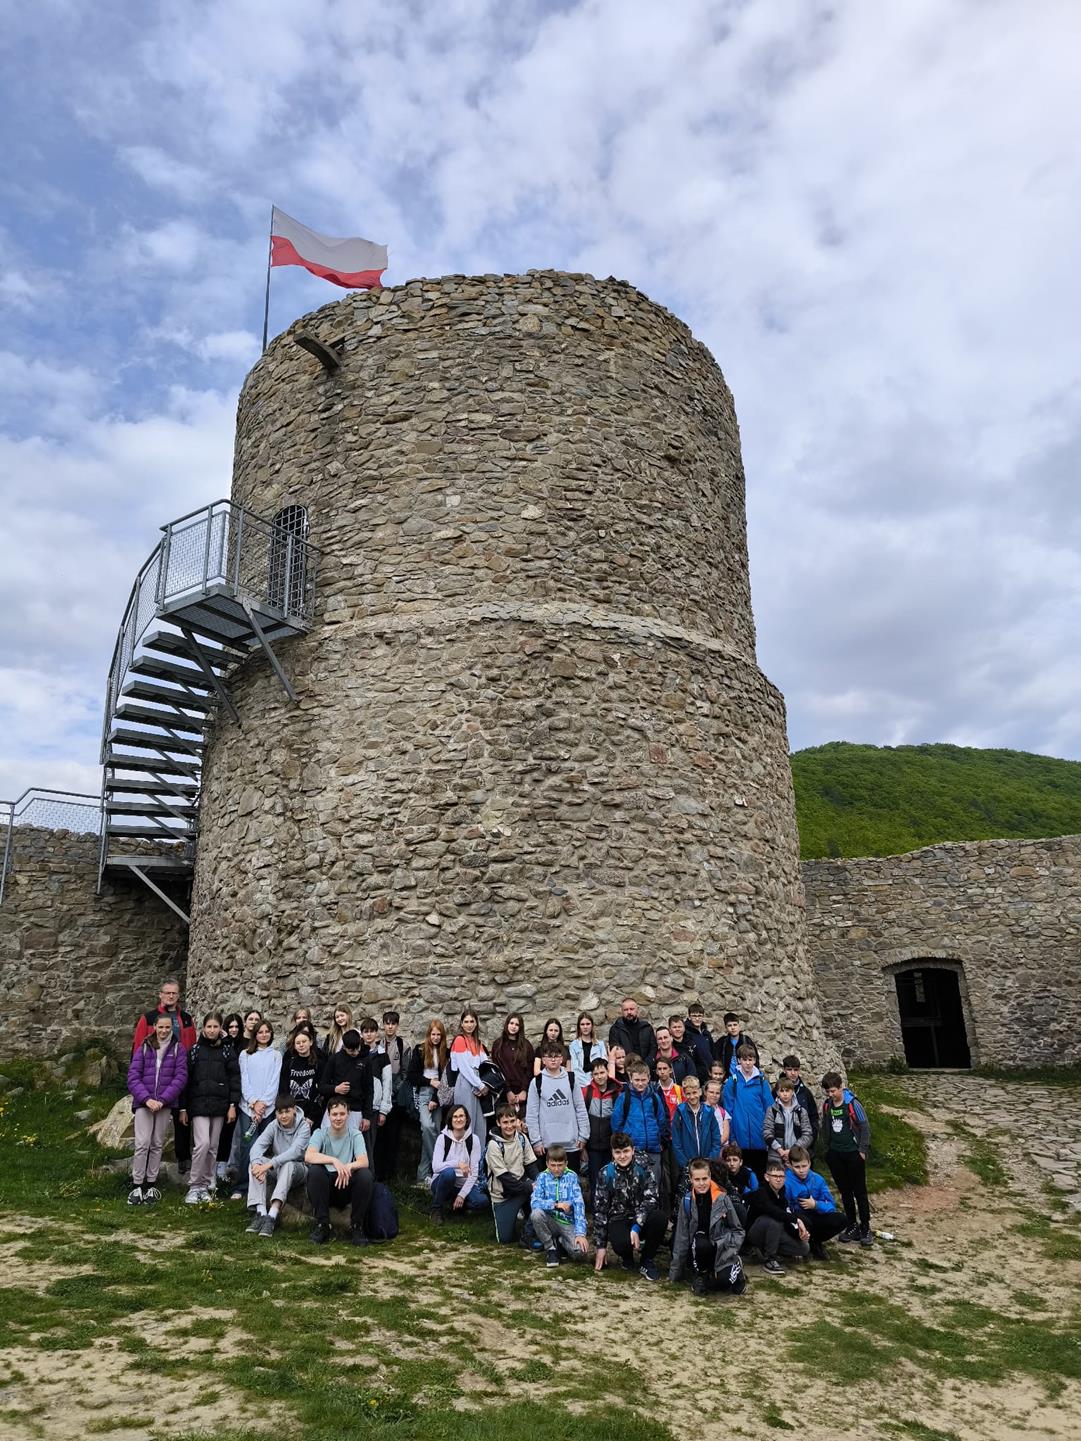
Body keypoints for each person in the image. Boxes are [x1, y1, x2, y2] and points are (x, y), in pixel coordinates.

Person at [131, 978, 197, 1178]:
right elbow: (138, 1048)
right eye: (167, 992)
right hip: (152, 1079)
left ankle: (183, 1158)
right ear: (160, 995)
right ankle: (141, 1174)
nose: (170, 996)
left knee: (182, 1117)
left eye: (174, 993)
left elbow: (191, 1046)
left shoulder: (186, 1019)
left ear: (178, 995)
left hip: (179, 1075)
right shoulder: (149, 1018)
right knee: (147, 1137)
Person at [126, 1013, 188, 1206]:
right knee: (142, 1143)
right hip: (144, 1103)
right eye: (161, 1027)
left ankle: (151, 1184)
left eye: (167, 1027)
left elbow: (180, 1077)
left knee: (157, 1143)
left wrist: (162, 1100)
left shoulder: (178, 1048)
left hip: (164, 1104)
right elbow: (133, 1076)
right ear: (154, 1027)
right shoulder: (145, 1047)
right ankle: (137, 1185)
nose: (164, 1031)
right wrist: (147, 1099)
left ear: (172, 1028)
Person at [180, 1010, 240, 1204]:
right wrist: (183, 1108)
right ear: (203, 1028)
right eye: (209, 1026)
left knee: (213, 1147)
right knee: (202, 1144)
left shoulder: (227, 1051)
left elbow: (234, 1079)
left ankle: (205, 1185)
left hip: (220, 1105)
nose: (212, 1030)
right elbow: (186, 1081)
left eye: (215, 1027)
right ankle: (194, 1185)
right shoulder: (195, 1051)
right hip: (199, 1104)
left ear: (220, 1028)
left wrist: (232, 1105)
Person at [668, 1157, 747, 1296]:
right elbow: (681, 1237)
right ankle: (701, 1274)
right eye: (697, 1179)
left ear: (710, 1177)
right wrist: (675, 1274)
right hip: (700, 1247)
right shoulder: (687, 1201)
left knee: (722, 1284)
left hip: (722, 1247)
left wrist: (731, 1250)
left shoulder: (722, 1198)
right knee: (700, 1243)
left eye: (704, 1179)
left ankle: (736, 1270)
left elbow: (737, 1230)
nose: (701, 1183)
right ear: (691, 1180)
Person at [592, 1132, 666, 1281]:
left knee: (660, 1218)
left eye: (626, 1151)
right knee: (620, 1243)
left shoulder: (643, 1167)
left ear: (632, 1150)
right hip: (619, 1218)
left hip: (641, 1217)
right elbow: (600, 1210)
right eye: (618, 1152)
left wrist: (637, 1225)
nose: (622, 1156)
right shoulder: (605, 1173)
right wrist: (601, 1246)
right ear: (612, 1153)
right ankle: (627, 1257)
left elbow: (651, 1198)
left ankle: (647, 1259)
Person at [304, 1097, 373, 1245]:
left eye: (342, 1114)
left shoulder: (355, 1134)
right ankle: (323, 1224)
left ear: (348, 1114)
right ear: (328, 1115)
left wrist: (348, 1167)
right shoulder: (320, 1133)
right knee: (315, 1172)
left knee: (365, 1175)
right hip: (327, 1186)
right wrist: (334, 1161)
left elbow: (364, 1161)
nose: (338, 1118)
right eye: (334, 1114)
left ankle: (356, 1226)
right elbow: (308, 1156)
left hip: (347, 1184)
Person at [245, 1094, 311, 1236]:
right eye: (280, 1112)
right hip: (277, 1169)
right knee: (255, 1163)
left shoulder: (304, 1126)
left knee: (288, 1165)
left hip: (299, 1170)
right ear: (276, 1113)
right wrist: (257, 1165)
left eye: (287, 1111)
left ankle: (272, 1216)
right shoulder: (273, 1125)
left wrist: (269, 1165)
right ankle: (261, 1213)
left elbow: (295, 1152)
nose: (283, 1116)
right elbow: (257, 1147)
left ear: (294, 1110)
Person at [231, 1020, 282, 1199]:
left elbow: (274, 1081)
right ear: (255, 1034)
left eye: (267, 1031)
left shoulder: (276, 1055)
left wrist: (264, 1104)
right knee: (248, 1145)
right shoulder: (245, 1054)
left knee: (264, 1147)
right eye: (260, 1032)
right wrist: (254, 1103)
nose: (264, 1035)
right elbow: (244, 1080)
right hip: (248, 1108)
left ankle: (260, 1186)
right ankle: (241, 1186)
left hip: (267, 1108)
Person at [821, 1071, 873, 1246]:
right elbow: (826, 1126)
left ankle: (865, 1227)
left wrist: (862, 1150)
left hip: (853, 1153)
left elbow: (865, 1127)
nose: (831, 1094)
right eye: (828, 1092)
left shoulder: (852, 1104)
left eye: (833, 1091)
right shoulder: (827, 1105)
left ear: (841, 1087)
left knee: (860, 1192)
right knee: (845, 1191)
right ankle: (852, 1225)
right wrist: (827, 1149)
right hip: (835, 1154)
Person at [526, 1041, 590, 1173]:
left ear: (562, 1059)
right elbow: (532, 1114)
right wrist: (536, 1141)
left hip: (571, 1145)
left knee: (571, 1181)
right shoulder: (537, 1082)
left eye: (556, 1056)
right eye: (549, 1056)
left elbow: (580, 1108)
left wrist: (583, 1135)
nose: (553, 1059)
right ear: (543, 1060)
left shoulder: (571, 1079)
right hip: (547, 1146)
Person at [746, 1156, 810, 1275]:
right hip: (755, 1233)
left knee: (804, 1248)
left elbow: (786, 1217)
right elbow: (773, 1211)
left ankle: (768, 1250)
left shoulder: (782, 1195)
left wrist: (799, 1234)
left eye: (781, 1176)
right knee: (774, 1220)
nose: (778, 1179)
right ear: (767, 1177)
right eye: (775, 1176)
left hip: (774, 1232)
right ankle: (769, 1258)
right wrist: (797, 1220)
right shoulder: (761, 1193)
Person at [487, 1103, 540, 1244]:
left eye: (512, 1121)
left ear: (517, 1121)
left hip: (522, 1185)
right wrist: (529, 1187)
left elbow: (531, 1166)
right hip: (503, 1194)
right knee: (505, 1239)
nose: (509, 1126)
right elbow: (504, 1178)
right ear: (498, 1123)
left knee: (542, 1193)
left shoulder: (522, 1138)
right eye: (505, 1122)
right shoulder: (494, 1145)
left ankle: (528, 1232)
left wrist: (541, 1182)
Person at [609, 1061, 669, 1186]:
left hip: (653, 1150)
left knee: (654, 1185)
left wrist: (660, 1140)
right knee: (633, 1186)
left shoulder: (654, 1098)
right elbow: (617, 1124)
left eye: (643, 1080)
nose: (640, 1083)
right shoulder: (624, 1098)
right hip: (632, 1151)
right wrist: (623, 1144)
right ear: (630, 1078)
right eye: (637, 1080)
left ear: (649, 1078)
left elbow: (661, 1121)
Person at [784, 1145, 849, 1258]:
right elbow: (784, 1207)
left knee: (842, 1219)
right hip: (796, 1219)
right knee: (802, 1222)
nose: (801, 1170)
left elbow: (831, 1205)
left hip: (815, 1215)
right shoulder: (786, 1181)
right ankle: (800, 1244)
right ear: (790, 1165)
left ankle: (815, 1241)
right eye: (797, 1167)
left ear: (809, 1163)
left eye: (804, 1166)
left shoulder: (818, 1179)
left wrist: (815, 1205)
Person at [530, 1144, 588, 1267]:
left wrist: (580, 1234)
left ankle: (561, 1242)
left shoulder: (572, 1177)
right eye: (553, 1165)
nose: (556, 1169)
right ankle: (550, 1247)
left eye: (560, 1165)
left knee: (580, 1252)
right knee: (536, 1214)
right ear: (547, 1164)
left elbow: (579, 1204)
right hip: (549, 1219)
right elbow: (534, 1202)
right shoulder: (542, 1177)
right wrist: (555, 1205)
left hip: (567, 1221)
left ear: (566, 1163)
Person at [409, 1019, 451, 1184]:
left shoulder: (445, 1052)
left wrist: (436, 1099)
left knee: (433, 1131)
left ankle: (423, 1177)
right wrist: (429, 1082)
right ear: (428, 1034)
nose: (435, 1038)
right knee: (427, 1127)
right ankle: (440, 1166)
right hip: (424, 1092)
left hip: (439, 1095)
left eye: (438, 1035)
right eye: (433, 1034)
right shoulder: (419, 1050)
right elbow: (412, 1076)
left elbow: (447, 1078)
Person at [429, 1103, 487, 1223]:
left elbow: (474, 1173)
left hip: (464, 1183)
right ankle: (436, 1209)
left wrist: (462, 1194)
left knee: (482, 1201)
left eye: (461, 1116)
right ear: (450, 1120)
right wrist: (457, 1163)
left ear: (466, 1118)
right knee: (449, 1173)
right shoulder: (442, 1138)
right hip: (443, 1181)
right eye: (455, 1117)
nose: (458, 1119)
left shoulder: (474, 1140)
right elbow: (436, 1167)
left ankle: (458, 1204)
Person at [722, 1045, 773, 1179]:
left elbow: (770, 1109)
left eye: (750, 1059)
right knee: (742, 1176)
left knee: (760, 1175)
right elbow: (728, 1112)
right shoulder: (732, 1082)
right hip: (740, 1137)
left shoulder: (761, 1082)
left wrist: (768, 1135)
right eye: (744, 1060)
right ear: (739, 1060)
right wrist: (732, 1137)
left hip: (759, 1136)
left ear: (755, 1060)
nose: (748, 1063)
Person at [671, 1075, 722, 1192]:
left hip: (707, 1162)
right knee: (689, 1193)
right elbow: (676, 1142)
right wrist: (685, 1163)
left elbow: (716, 1138)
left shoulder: (709, 1112)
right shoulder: (680, 1112)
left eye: (694, 1092)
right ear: (684, 1094)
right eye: (688, 1094)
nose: (692, 1096)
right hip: (688, 1164)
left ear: (700, 1091)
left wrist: (711, 1159)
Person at [319, 1028, 374, 1136]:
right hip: (335, 1107)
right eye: (351, 1050)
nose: (355, 1052)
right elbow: (322, 1086)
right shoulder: (335, 1059)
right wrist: (336, 1089)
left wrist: (367, 1116)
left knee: (352, 1142)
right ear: (344, 1046)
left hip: (355, 1110)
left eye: (357, 1048)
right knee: (327, 1141)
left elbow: (369, 1090)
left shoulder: (366, 1060)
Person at [582, 1056, 622, 1197]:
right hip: (592, 1147)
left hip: (610, 1147)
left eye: (602, 1072)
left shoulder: (617, 1093)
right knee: (594, 1182)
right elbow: (582, 1119)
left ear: (607, 1072)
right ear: (592, 1076)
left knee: (611, 1181)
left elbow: (620, 1120)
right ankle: (595, 1209)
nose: (599, 1076)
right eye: (596, 1074)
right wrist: (583, 1147)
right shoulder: (586, 1092)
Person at [450, 1009, 490, 1143]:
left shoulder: (478, 1042)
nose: (469, 1025)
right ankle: (464, 1153)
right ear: (461, 1024)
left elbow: (485, 1064)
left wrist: (484, 1084)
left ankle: (478, 1155)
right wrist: (480, 1085)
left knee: (480, 1123)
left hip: (479, 1082)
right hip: (465, 1082)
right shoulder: (459, 1040)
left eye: (472, 1021)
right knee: (465, 1121)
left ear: (476, 1023)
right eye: (466, 1022)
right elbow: (464, 1068)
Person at [359, 1017, 392, 1171]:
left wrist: (384, 1110)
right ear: (361, 1034)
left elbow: (387, 1083)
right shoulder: (357, 1053)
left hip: (374, 1106)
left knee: (369, 1145)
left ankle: (369, 1176)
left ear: (376, 1033)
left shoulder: (382, 1055)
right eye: (366, 1031)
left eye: (372, 1031)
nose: (369, 1034)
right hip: (358, 1105)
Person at [217, 1013, 245, 1180]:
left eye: (236, 1027)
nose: (234, 1030)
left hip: (238, 1093)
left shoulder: (245, 1045)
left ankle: (228, 1166)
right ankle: (217, 1167)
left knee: (233, 1133)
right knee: (219, 1133)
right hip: (221, 1093)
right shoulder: (220, 1044)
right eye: (230, 1027)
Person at [491, 1014, 535, 1120]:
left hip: (523, 1092)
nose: (514, 1026)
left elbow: (530, 1069)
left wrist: (524, 1090)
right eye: (511, 1023)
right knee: (506, 1122)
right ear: (507, 1024)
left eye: (517, 1024)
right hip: (504, 1091)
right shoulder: (498, 1045)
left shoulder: (526, 1045)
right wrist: (508, 1091)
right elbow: (497, 1069)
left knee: (523, 1122)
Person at [280, 1026, 324, 1127]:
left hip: (313, 1115)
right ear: (294, 1046)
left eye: (304, 1041)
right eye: (298, 1043)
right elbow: (283, 1091)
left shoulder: (319, 1064)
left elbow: (321, 1092)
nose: (301, 1045)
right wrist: (288, 1113)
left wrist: (312, 1116)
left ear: (311, 1042)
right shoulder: (288, 1064)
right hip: (292, 1113)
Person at [776, 1055, 820, 1153]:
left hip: (803, 1146)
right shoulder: (776, 1092)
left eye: (795, 1070)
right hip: (780, 1147)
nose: (793, 1073)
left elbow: (813, 1116)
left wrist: (811, 1140)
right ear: (784, 1070)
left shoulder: (805, 1093)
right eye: (789, 1069)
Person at [763, 1076, 813, 1164]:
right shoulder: (772, 1110)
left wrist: (793, 1150)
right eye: (782, 1091)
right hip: (776, 1155)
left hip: (796, 1155)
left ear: (792, 1092)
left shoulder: (801, 1112)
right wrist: (779, 1149)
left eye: (787, 1091)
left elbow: (808, 1135)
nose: (785, 1094)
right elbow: (767, 1132)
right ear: (777, 1092)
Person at [608, 997, 657, 1068]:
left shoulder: (647, 1027)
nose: (629, 1012)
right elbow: (616, 1051)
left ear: (637, 1010)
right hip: (625, 1069)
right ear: (622, 1011)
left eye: (631, 1009)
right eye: (626, 1010)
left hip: (646, 1068)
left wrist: (646, 1065)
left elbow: (653, 1048)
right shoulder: (615, 1029)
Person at [718, 1141, 758, 1226]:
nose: (732, 1164)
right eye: (728, 1160)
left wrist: (742, 1189)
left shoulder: (749, 1174)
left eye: (735, 1160)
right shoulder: (721, 1175)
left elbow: (756, 1194)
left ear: (741, 1162)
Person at [567, 1012, 608, 1092]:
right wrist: (588, 1084)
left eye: (588, 1024)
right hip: (581, 1085)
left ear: (592, 1025)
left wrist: (595, 1082)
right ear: (579, 1027)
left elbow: (604, 1065)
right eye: (582, 1024)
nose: (585, 1027)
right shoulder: (573, 1045)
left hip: (598, 1083)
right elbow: (575, 1068)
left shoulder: (600, 1045)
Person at [715, 1013, 759, 1078]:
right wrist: (723, 1078)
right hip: (728, 1078)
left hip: (744, 1077)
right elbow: (717, 1060)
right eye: (729, 1025)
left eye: (735, 1025)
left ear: (739, 1026)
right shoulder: (722, 1042)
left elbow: (755, 1059)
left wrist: (752, 1076)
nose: (733, 1028)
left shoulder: (746, 1041)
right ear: (726, 1028)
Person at [683, 1002, 715, 1082]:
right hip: (696, 1074)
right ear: (689, 1017)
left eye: (700, 1016)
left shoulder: (706, 1033)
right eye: (694, 1016)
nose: (697, 1019)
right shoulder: (686, 1034)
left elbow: (713, 1052)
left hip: (710, 1073)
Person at [702, 1078, 731, 1147]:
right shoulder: (699, 1110)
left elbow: (726, 1135)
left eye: (717, 1093)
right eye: (711, 1092)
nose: (714, 1095)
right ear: (705, 1092)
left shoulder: (723, 1112)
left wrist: (715, 1146)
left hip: (721, 1147)